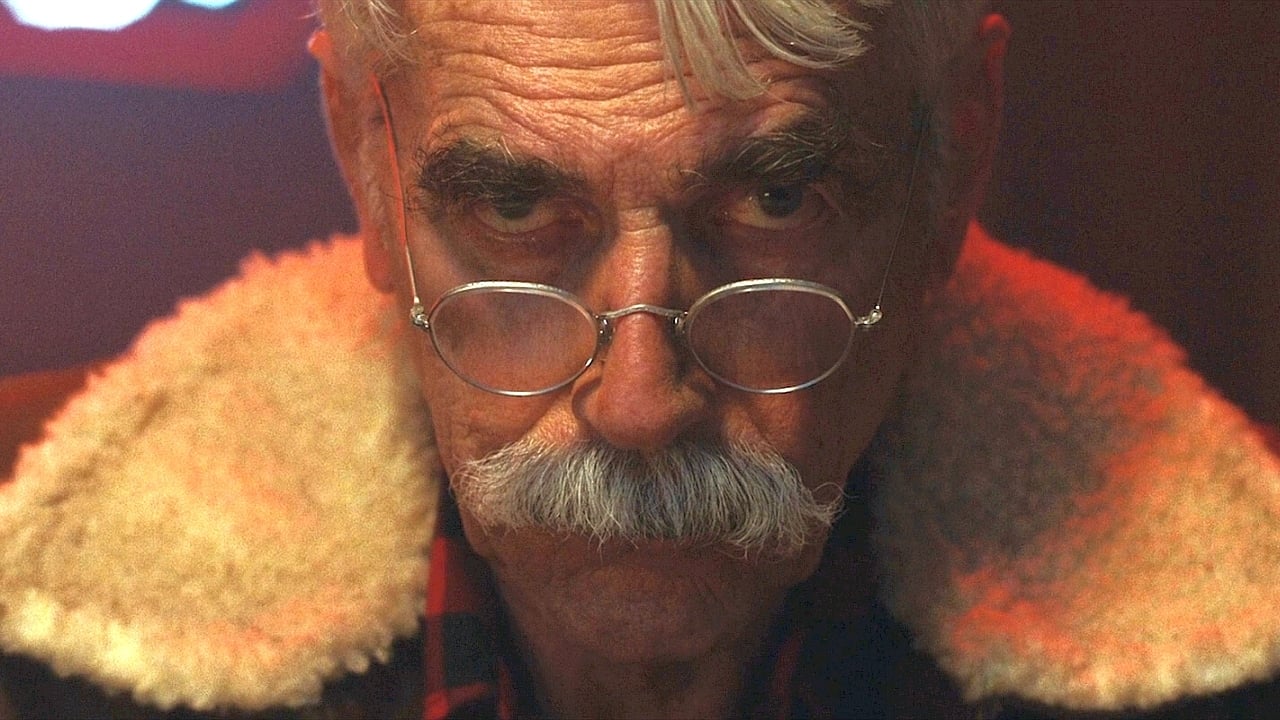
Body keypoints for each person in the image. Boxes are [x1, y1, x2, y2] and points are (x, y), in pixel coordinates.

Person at [1, 0, 1279, 718]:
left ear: (955, 155)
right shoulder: (49, 648)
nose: (635, 403)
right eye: (513, 208)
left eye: (774, 202)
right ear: (364, 163)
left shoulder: (1230, 652)